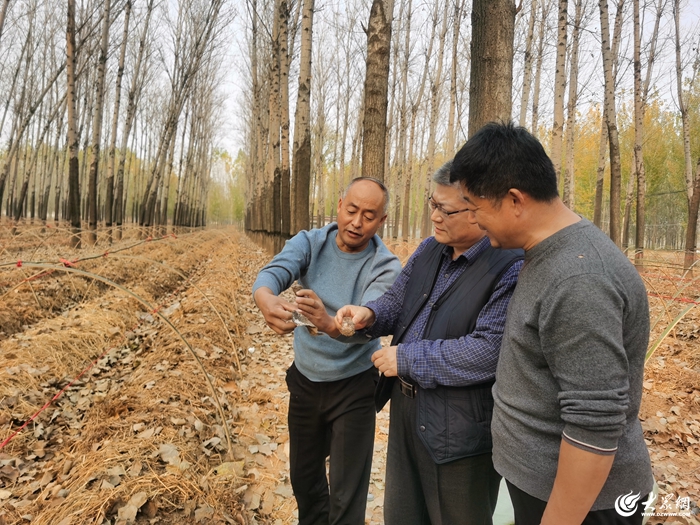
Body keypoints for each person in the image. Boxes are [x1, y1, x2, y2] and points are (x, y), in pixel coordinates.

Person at [450, 121, 654, 525]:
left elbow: (593, 426)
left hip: (584, 506)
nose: (472, 219)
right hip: (544, 485)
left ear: (513, 200)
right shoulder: (547, 254)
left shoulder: (579, 280)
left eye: (474, 206)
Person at [335, 162, 523, 525]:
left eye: (446, 210)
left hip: (461, 429)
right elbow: (397, 301)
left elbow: (487, 352)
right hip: (408, 412)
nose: (435, 216)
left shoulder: (508, 266)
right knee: (403, 514)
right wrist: (369, 315)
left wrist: (406, 358)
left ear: (478, 211)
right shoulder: (430, 249)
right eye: (432, 204)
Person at [252, 177, 402, 525]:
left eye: (369, 215)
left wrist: (330, 322)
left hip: (354, 387)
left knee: (347, 492)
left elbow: (370, 318)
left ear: (381, 222)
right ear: (339, 206)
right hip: (306, 381)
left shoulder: (385, 265)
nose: (356, 222)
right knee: (305, 482)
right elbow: (276, 271)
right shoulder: (310, 242)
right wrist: (265, 298)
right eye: (351, 210)